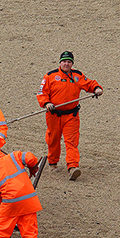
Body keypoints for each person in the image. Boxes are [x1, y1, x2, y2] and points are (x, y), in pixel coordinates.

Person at [36, 50, 103, 181]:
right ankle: (53, 163)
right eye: (64, 61)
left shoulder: (77, 76)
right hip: (54, 114)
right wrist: (46, 103)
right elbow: (41, 93)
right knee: (53, 139)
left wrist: (96, 88)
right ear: (60, 62)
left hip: (71, 115)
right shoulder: (50, 76)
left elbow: (89, 83)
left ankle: (72, 167)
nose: (66, 64)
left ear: (72, 63)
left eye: (69, 62)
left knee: (71, 141)